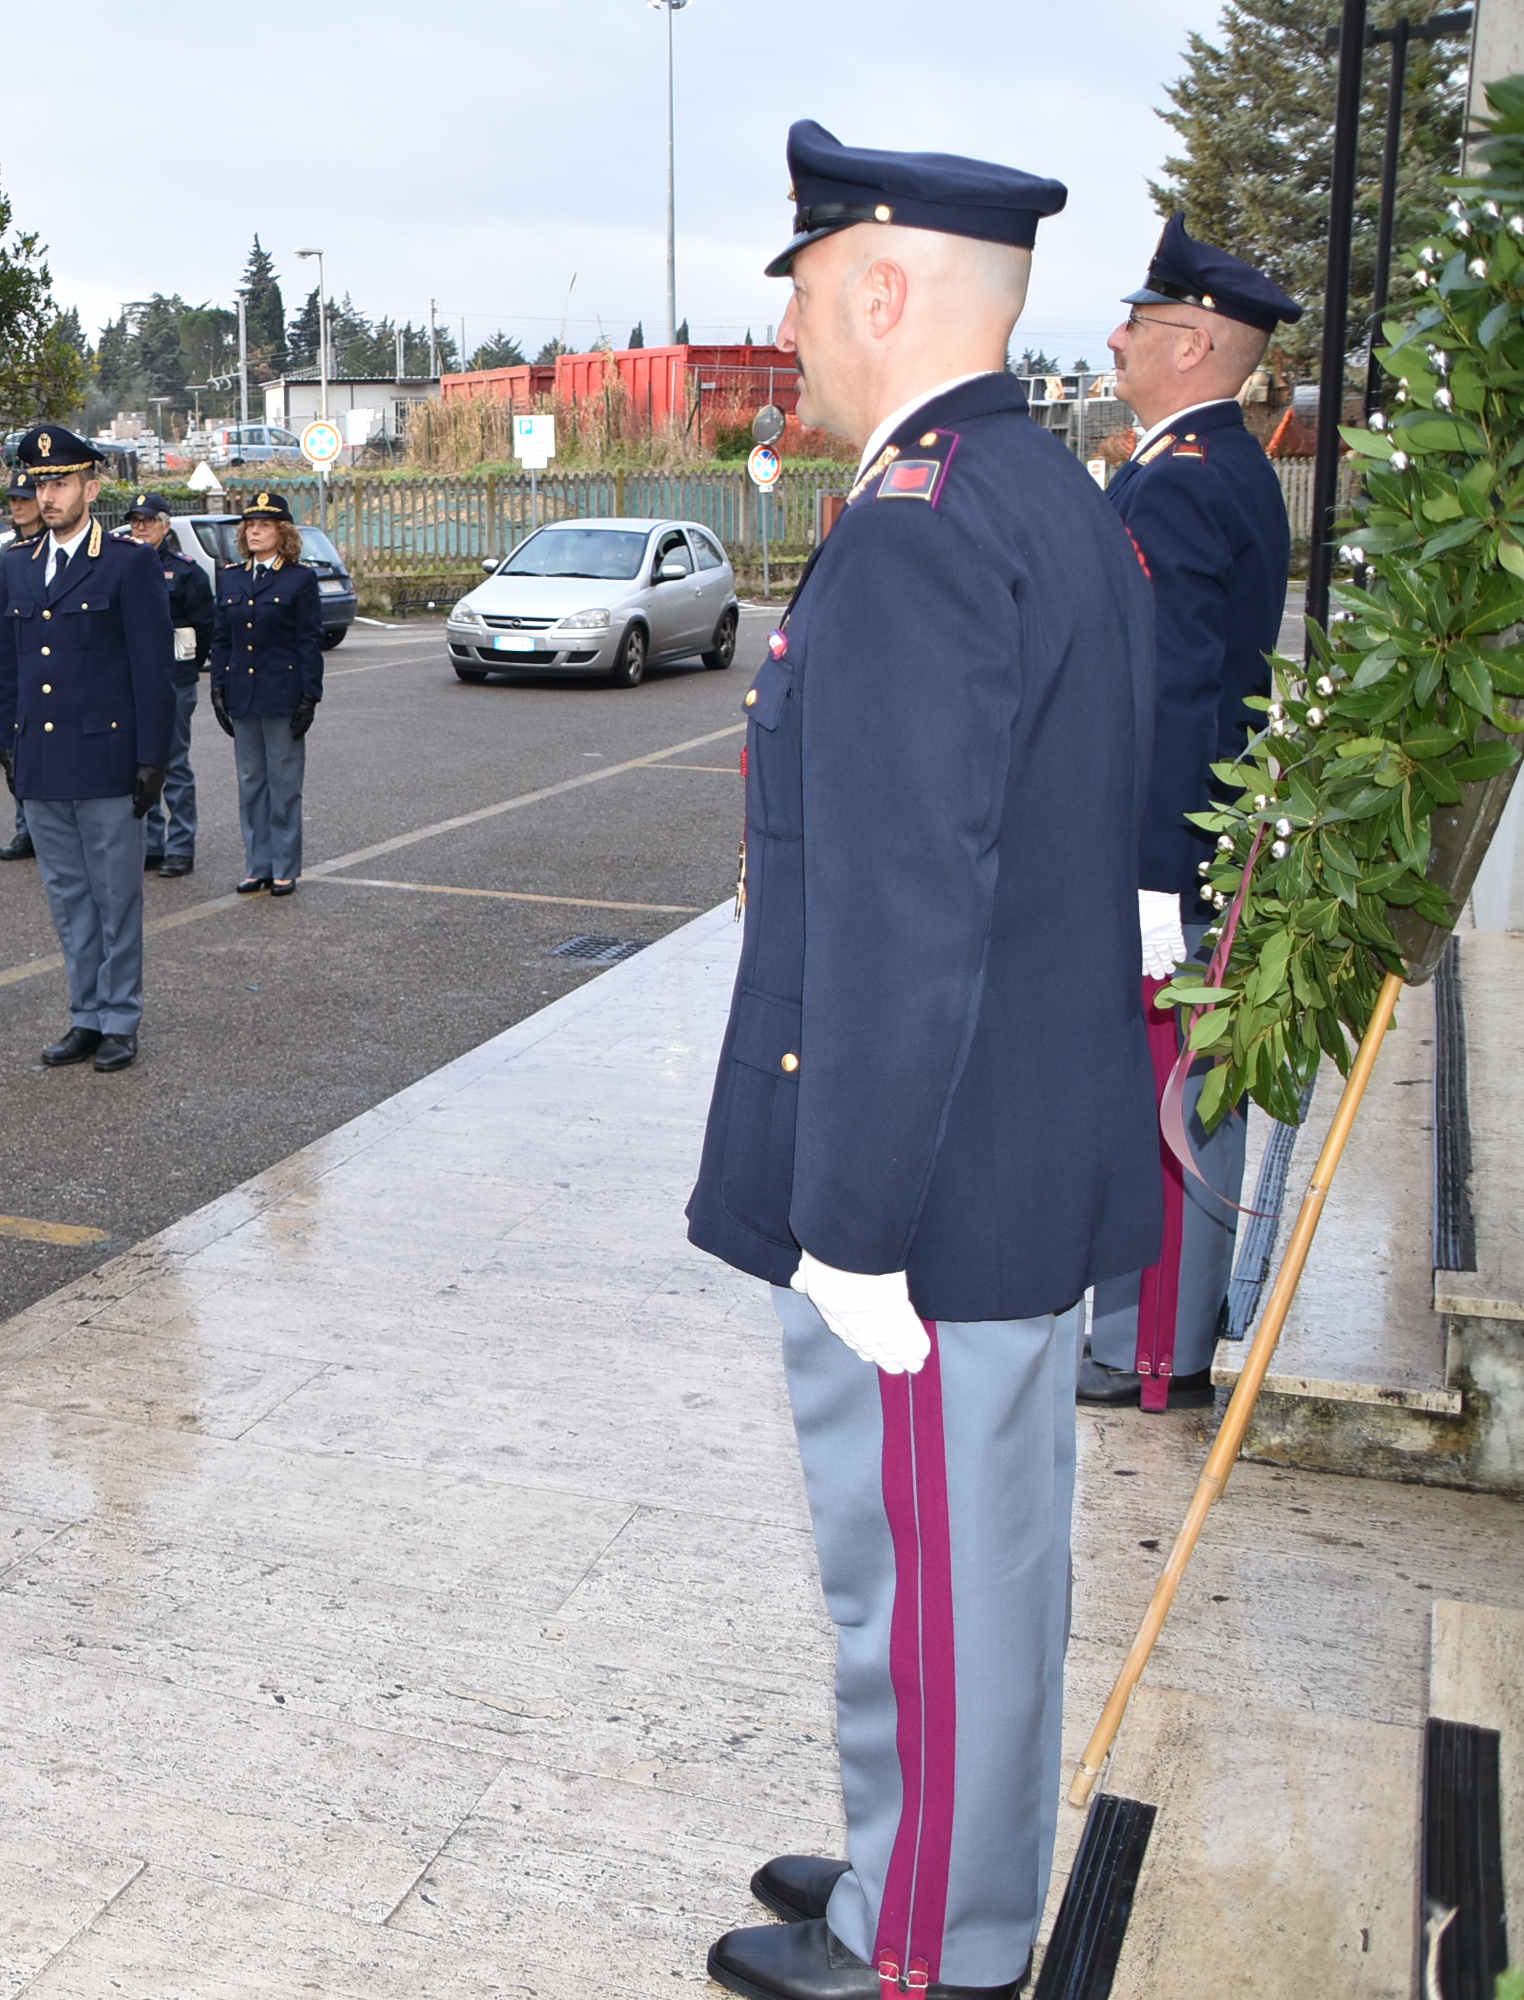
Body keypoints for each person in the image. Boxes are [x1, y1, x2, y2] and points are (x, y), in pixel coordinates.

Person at [682, 126, 1158, 2000]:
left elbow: (902, 913)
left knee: (933, 1586)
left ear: (881, 287)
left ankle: (928, 1958)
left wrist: (852, 1227)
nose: (788, 331)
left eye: (801, 289)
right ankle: (925, 1862)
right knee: (974, 1572)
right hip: (1016, 1144)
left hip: (925, 1188)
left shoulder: (918, 530)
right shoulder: (1044, 494)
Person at [1079, 217, 1303, 1414]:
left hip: (1170, 852)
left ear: (1196, 344)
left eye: (1141, 323)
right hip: (1202, 841)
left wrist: (1152, 881)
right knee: (1177, 1091)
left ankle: (1149, 1349)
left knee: (1166, 1099)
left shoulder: (1177, 486)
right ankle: (1157, 1330)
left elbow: (1168, 704)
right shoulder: (1222, 469)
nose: (1115, 337)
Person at [0, 423, 171, 1073]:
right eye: (40, 483)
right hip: (41, 761)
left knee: (115, 895)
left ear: (91, 487)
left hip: (106, 760)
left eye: (60, 481)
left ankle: (120, 1017)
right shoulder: (15, 565)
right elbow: (7, 665)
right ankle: (86, 1014)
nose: (48, 494)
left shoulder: (128, 562)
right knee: (68, 898)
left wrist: (155, 757)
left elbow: (153, 670)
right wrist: (5, 742)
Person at [212, 491, 323, 896]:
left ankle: (284, 867)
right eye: (250, 525)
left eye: (265, 525)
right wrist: (218, 687)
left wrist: (311, 695)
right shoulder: (231, 577)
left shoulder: (299, 578)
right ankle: (257, 864)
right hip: (243, 694)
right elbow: (222, 638)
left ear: (283, 532)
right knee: (251, 782)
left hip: (282, 694)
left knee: (284, 784)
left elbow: (308, 641)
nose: (255, 531)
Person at [126, 490, 212, 877]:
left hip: (175, 680)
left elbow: (204, 627)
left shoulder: (186, 570)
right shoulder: (124, 565)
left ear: (165, 524)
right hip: (133, 681)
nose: (141, 527)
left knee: (175, 764)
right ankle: (153, 845)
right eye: (135, 521)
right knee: (141, 761)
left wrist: (187, 666)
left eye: (148, 520)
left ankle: (181, 846)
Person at [0, 472, 47, 862]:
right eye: (13, 499)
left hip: (50, 672)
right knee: (20, 752)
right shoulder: (9, 558)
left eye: (25, 499)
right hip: (21, 674)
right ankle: (26, 827)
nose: (18, 506)